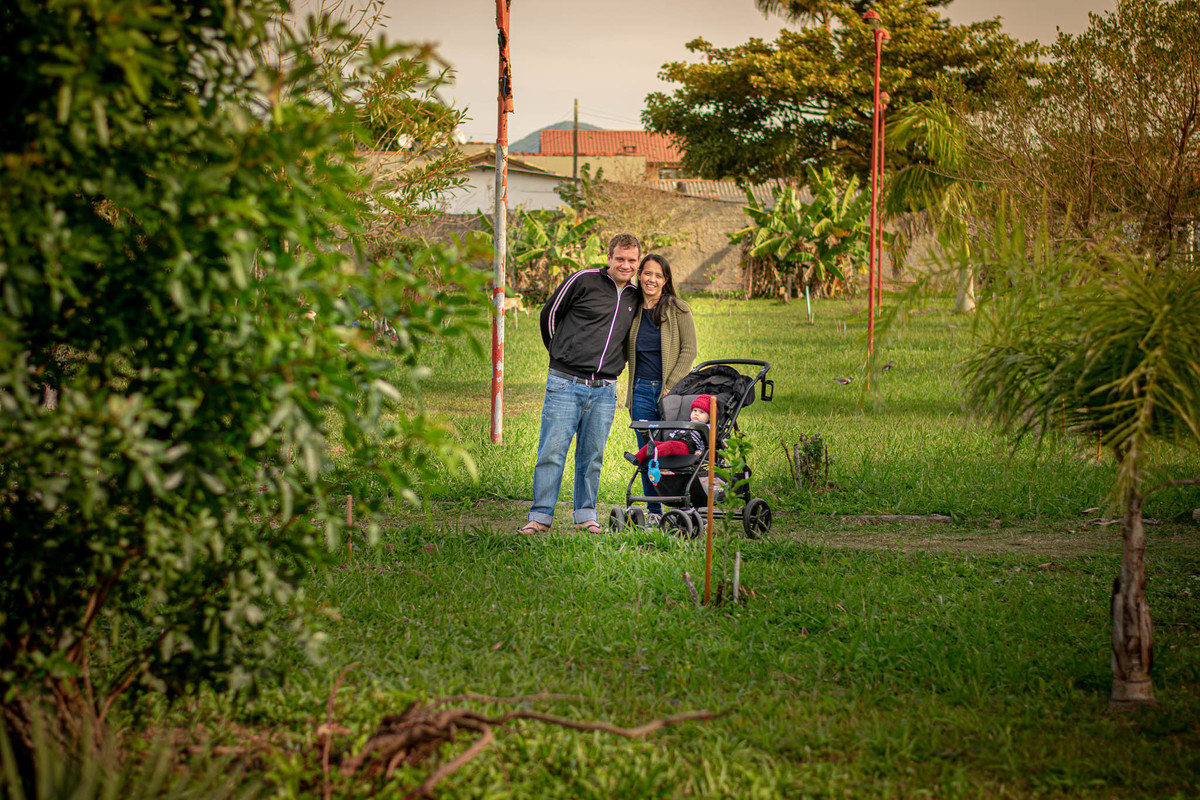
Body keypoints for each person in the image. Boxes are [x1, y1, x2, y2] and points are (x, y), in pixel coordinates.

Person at [517, 233, 643, 535]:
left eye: (632, 260)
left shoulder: (634, 297)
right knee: (552, 451)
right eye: (620, 259)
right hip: (564, 382)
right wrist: (560, 352)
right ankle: (540, 516)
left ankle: (586, 515)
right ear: (609, 257)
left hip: (604, 389)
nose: (625, 265)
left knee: (592, 455)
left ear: (637, 262)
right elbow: (550, 315)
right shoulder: (583, 280)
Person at [623, 253, 697, 516]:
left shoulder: (678, 308)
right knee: (646, 453)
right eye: (647, 273)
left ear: (666, 280)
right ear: (639, 275)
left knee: (673, 451)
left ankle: (681, 506)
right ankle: (653, 511)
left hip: (671, 396)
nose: (651, 279)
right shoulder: (631, 309)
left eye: (658, 275)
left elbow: (689, 350)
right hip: (640, 392)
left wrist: (671, 386)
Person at [627, 395, 710, 464]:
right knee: (654, 443)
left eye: (701, 412)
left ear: (709, 417)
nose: (696, 414)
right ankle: (637, 458)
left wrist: (700, 451)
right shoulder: (687, 424)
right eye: (694, 410)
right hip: (676, 442)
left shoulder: (706, 428)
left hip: (688, 448)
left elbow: (706, 442)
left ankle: (654, 453)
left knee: (669, 446)